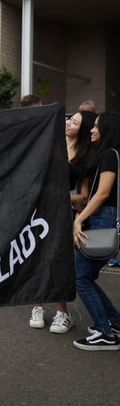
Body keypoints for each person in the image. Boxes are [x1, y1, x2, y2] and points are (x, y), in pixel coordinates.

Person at [29, 110, 97, 334]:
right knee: (37, 256)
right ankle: (37, 307)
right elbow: (22, 130)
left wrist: (59, 196)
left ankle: (62, 312)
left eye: (74, 121)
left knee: (58, 260)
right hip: (41, 210)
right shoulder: (52, 143)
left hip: (64, 213)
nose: (68, 123)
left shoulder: (86, 155)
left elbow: (85, 195)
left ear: (83, 129)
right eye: (69, 119)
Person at [72, 111, 120, 351]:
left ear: (108, 130)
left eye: (97, 126)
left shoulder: (111, 155)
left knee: (80, 278)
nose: (92, 129)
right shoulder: (106, 154)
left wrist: (79, 219)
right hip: (102, 218)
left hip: (103, 218)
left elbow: (103, 193)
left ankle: (105, 333)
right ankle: (115, 322)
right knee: (85, 276)